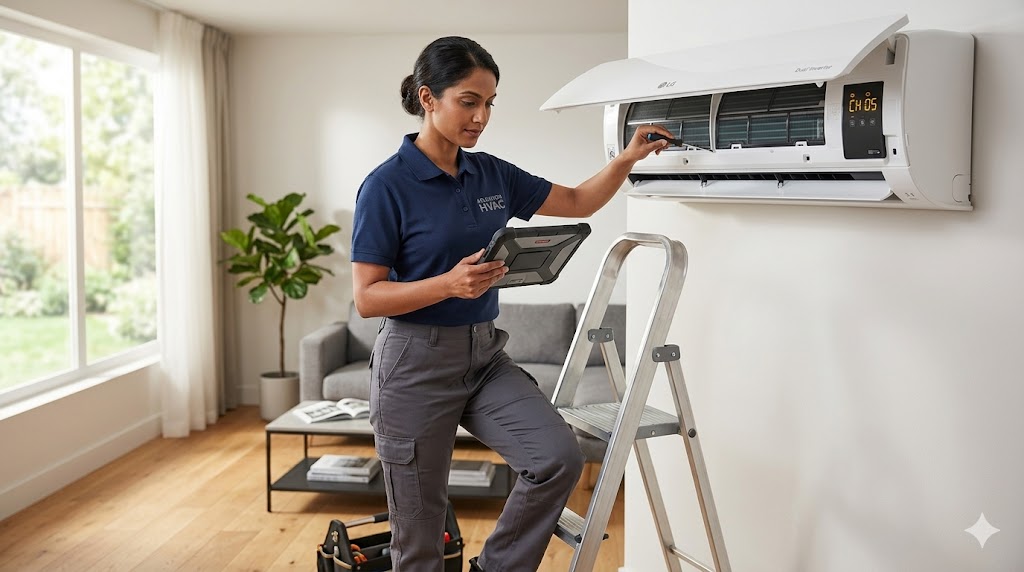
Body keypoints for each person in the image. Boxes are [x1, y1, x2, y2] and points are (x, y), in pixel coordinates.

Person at [350, 36, 672, 572]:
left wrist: (627, 157)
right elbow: (367, 297)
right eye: (468, 101)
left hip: (483, 356)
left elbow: (578, 201)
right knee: (421, 540)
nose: (481, 117)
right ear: (428, 98)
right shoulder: (387, 186)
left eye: (489, 103)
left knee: (556, 459)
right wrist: (448, 284)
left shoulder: (491, 173)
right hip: (413, 364)